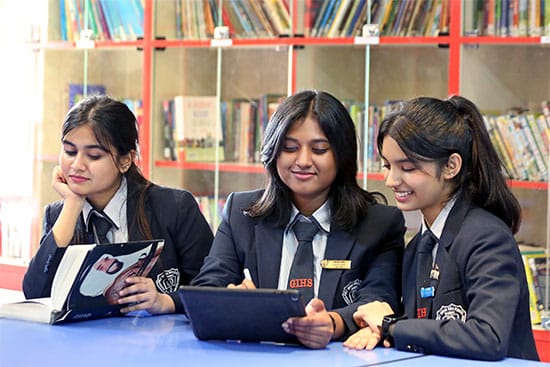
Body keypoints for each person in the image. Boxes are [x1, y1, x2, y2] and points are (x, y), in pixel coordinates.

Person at [190, 89, 405, 349]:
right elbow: (205, 290)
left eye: (319, 149)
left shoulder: (379, 223)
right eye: (290, 148)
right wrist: (228, 301)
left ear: (342, 155)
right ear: (273, 152)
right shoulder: (241, 212)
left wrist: (332, 322)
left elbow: (380, 300)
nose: (303, 161)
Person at [343, 96, 539, 361]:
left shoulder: (487, 238)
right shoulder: (418, 246)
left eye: (407, 167)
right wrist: (382, 330)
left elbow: (489, 337)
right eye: (388, 166)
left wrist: (392, 326)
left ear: (451, 166)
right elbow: (423, 325)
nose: (391, 180)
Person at [23, 95, 214, 315]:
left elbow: (212, 287)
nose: (76, 165)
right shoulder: (59, 215)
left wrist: (166, 301)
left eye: (94, 156)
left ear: (125, 160)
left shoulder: (174, 208)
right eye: (70, 151)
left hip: (160, 342)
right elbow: (35, 293)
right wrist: (73, 204)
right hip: (82, 344)